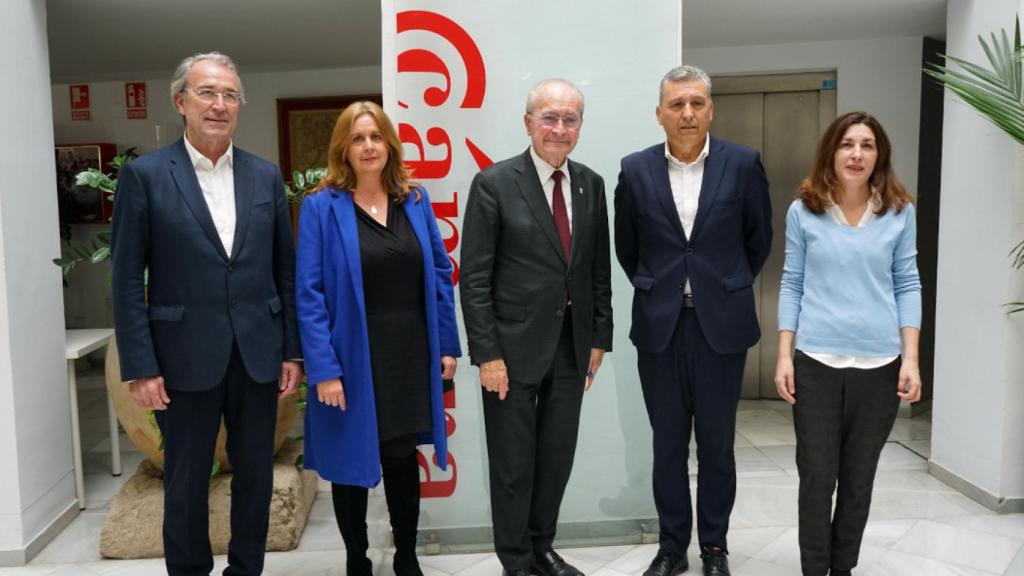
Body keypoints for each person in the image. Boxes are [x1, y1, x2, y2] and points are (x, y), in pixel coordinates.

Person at [110, 52, 303, 576]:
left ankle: (246, 569)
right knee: (187, 479)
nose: (220, 105)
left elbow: (283, 271)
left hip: (258, 354)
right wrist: (140, 365)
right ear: (182, 102)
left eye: (230, 95)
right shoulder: (145, 177)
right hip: (180, 359)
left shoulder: (265, 177)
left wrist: (291, 349)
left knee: (256, 476)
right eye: (207, 93)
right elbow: (126, 278)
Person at [614, 65, 773, 576]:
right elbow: (627, 248)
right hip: (661, 325)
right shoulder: (634, 170)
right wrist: (661, 286)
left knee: (717, 445)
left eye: (697, 103)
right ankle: (671, 547)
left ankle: (714, 548)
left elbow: (759, 240)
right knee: (666, 445)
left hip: (720, 327)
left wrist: (721, 285)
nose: (687, 113)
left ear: (711, 109)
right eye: (677, 104)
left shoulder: (744, 165)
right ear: (659, 112)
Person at [295, 101, 461, 576]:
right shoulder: (321, 207)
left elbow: (438, 274)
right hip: (351, 354)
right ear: (342, 150)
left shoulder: (415, 200)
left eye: (376, 137)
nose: (368, 146)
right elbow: (309, 294)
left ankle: (407, 557)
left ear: (389, 144)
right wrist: (324, 369)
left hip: (409, 352)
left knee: (401, 457)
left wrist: (446, 345)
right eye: (357, 138)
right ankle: (356, 560)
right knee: (350, 462)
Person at [460, 79, 612, 576]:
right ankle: (516, 561)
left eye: (570, 119)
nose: (559, 128)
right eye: (549, 117)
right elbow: (475, 278)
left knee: (555, 460)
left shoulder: (591, 184)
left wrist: (599, 338)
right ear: (528, 123)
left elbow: (596, 271)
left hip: (571, 350)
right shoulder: (494, 184)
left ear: (580, 127)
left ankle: (542, 547)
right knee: (512, 466)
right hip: (510, 352)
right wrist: (486, 353)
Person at [775, 111, 922, 576]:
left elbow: (908, 284)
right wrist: (784, 355)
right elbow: (792, 283)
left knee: (858, 481)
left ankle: (844, 569)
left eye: (867, 145)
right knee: (817, 479)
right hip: (816, 362)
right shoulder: (804, 210)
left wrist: (911, 360)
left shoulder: (899, 212)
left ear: (879, 155)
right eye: (847, 144)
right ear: (831, 152)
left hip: (880, 365)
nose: (856, 154)